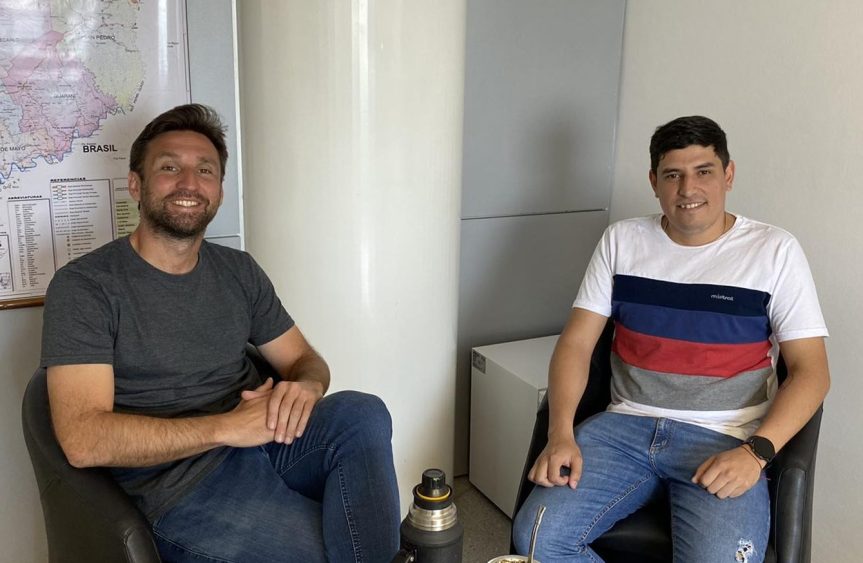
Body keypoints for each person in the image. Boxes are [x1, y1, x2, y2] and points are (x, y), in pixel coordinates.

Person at [41, 103, 401, 563]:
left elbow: (303, 360)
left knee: (363, 412)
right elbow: (83, 439)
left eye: (205, 170)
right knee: (331, 552)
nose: (189, 183)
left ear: (219, 191)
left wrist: (308, 386)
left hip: (265, 439)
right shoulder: (86, 286)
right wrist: (227, 427)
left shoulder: (238, 270)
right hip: (182, 484)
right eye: (169, 167)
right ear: (136, 185)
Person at [512, 115, 830, 562]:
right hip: (622, 430)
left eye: (704, 171)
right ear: (654, 182)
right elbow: (576, 344)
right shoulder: (621, 240)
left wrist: (756, 453)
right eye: (673, 175)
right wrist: (560, 432)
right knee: (537, 540)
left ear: (728, 175)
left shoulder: (774, 251)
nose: (688, 189)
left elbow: (812, 372)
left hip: (724, 437)